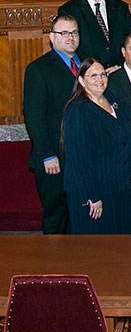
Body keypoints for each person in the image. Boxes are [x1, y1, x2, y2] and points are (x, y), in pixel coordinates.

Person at [61, 58, 131, 234]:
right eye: (93, 75)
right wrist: (92, 196)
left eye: (103, 74)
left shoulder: (112, 98)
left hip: (120, 187)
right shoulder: (77, 110)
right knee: (98, 252)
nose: (100, 79)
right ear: (81, 80)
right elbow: (78, 159)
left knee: (125, 248)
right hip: (95, 193)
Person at [23, 15, 81, 234]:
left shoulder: (86, 64)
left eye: (74, 33)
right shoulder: (39, 69)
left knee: (78, 216)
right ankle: (55, 266)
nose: (70, 38)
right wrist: (47, 154)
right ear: (51, 37)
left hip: (79, 156)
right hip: (53, 158)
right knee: (57, 217)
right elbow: (34, 116)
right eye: (63, 33)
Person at [58, 0, 131, 69]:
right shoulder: (69, 10)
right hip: (88, 74)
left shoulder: (120, 7)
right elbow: (69, 48)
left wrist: (122, 67)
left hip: (119, 72)